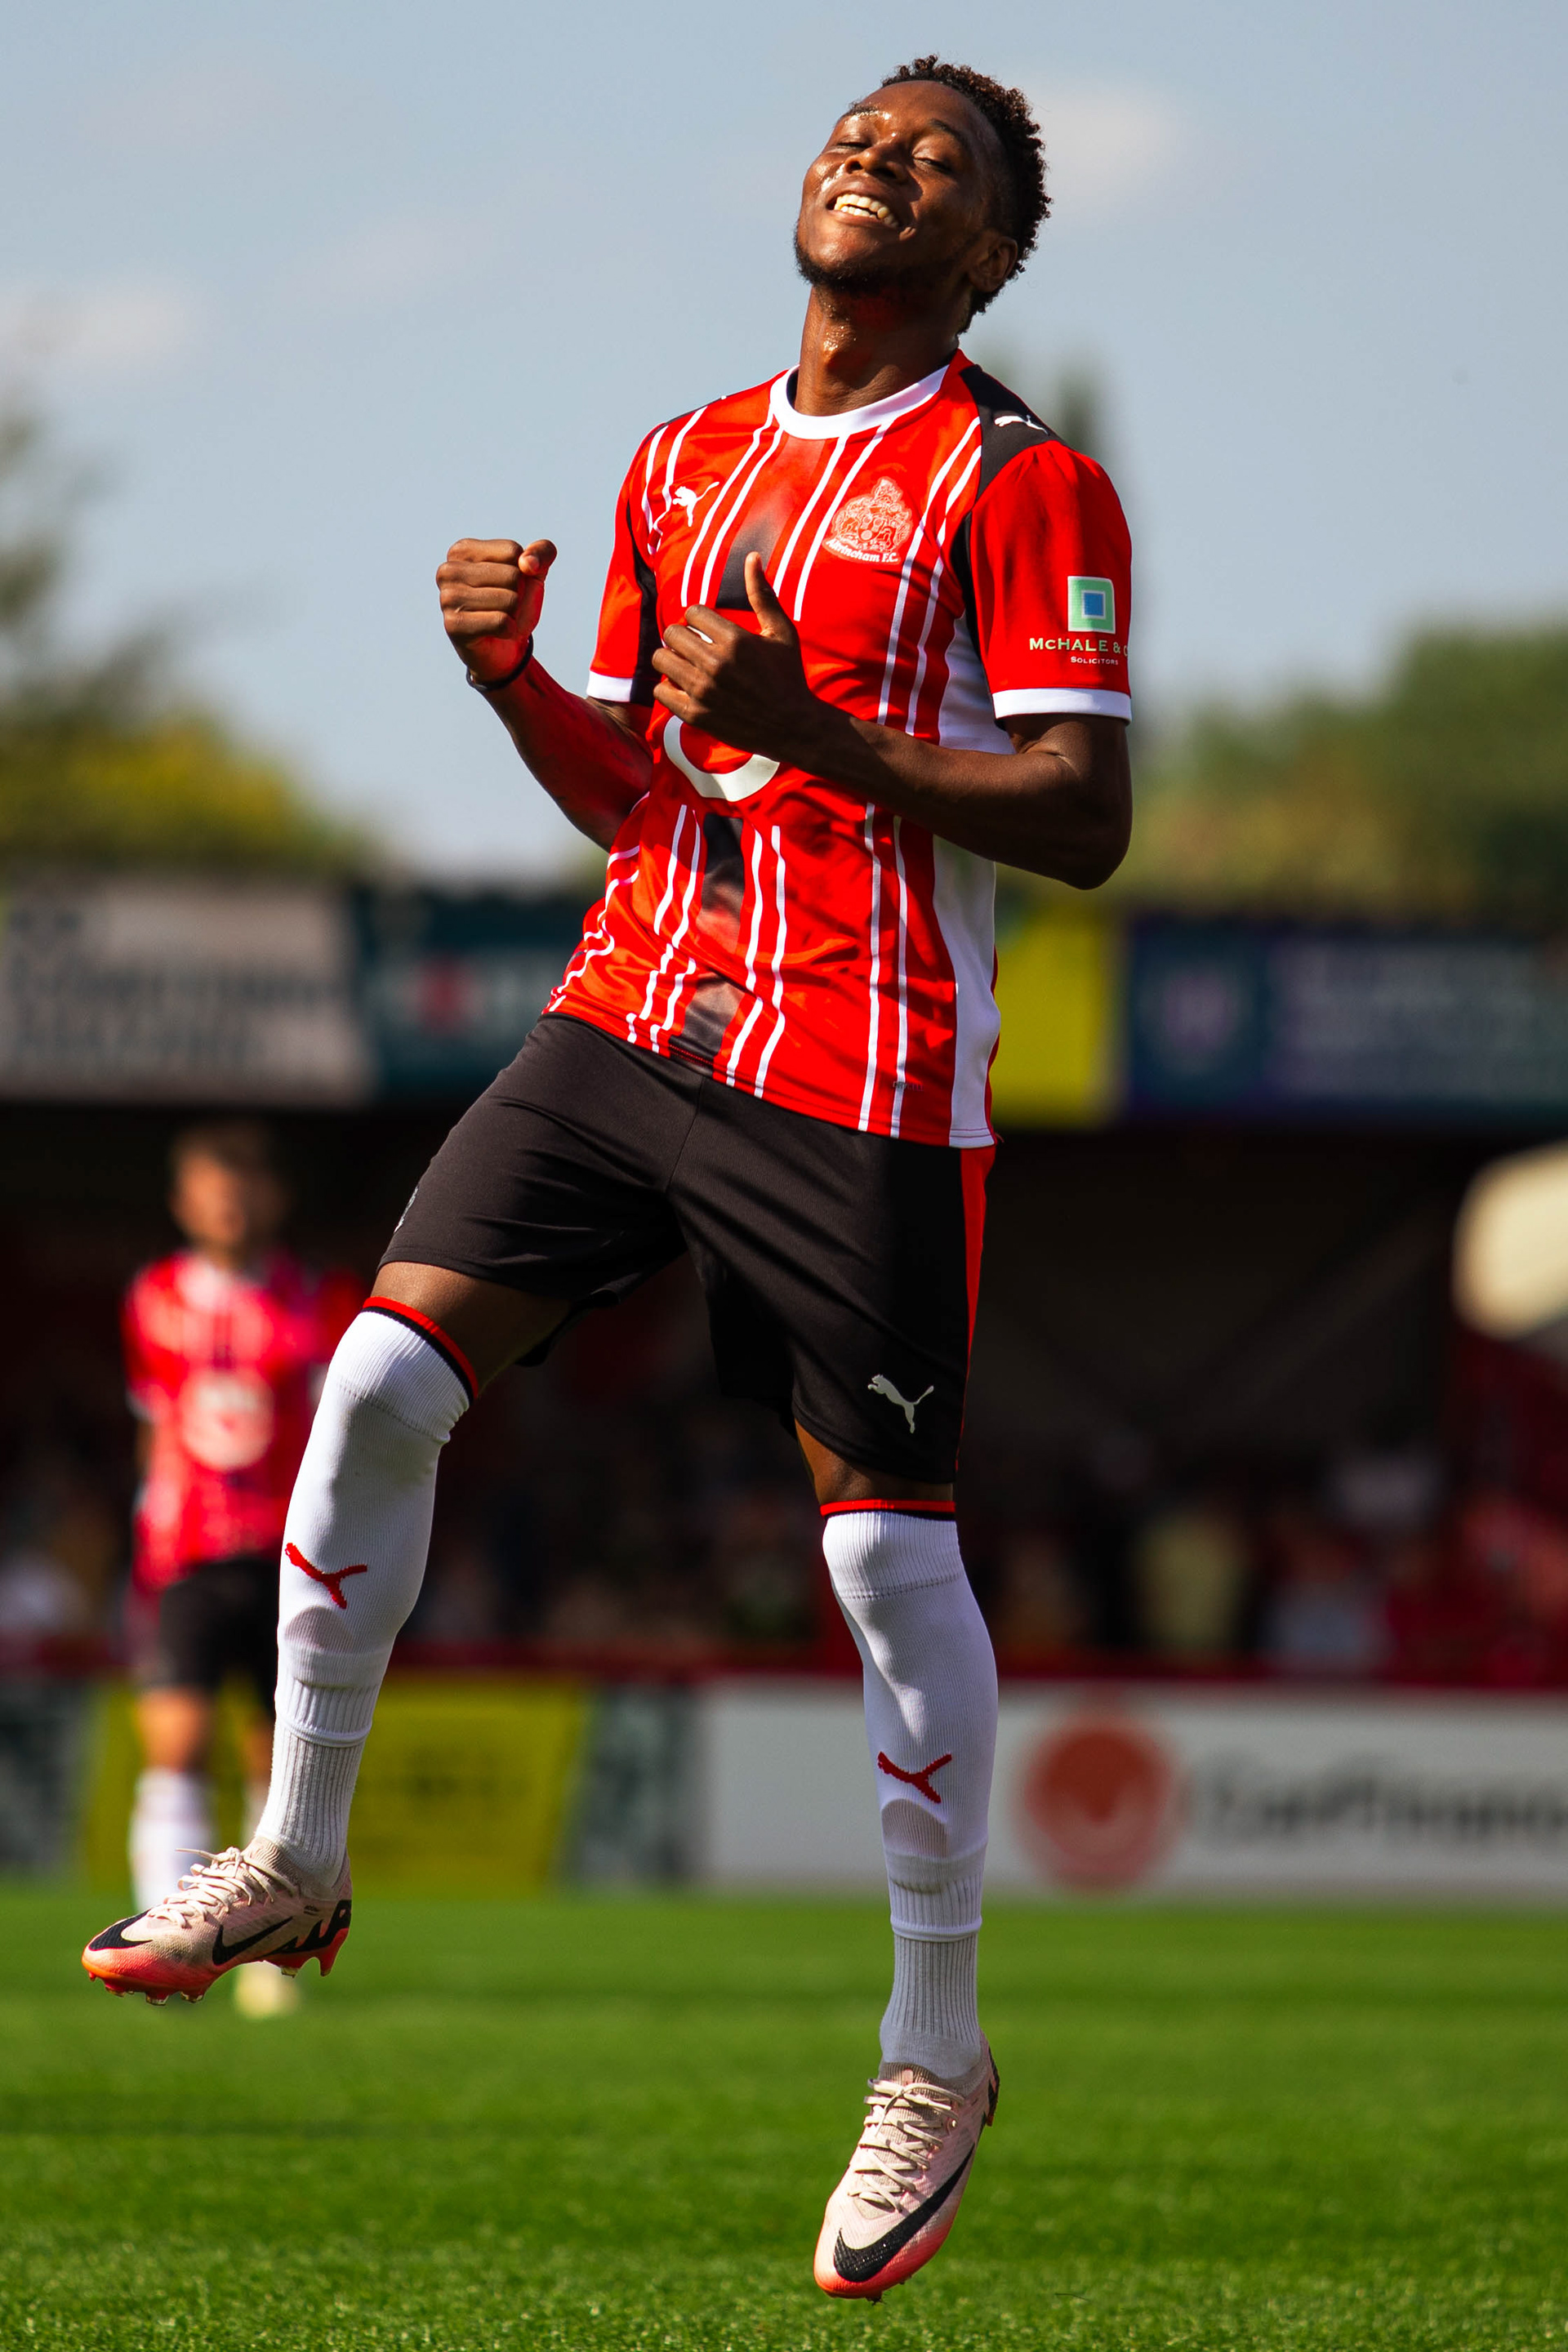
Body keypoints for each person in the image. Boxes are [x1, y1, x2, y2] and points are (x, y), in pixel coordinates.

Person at [84, 56, 1132, 2296]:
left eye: (939, 160)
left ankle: (935, 2050)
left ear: (994, 252)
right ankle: (294, 1851)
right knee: (372, 1386)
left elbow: (1081, 813)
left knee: (879, 1566)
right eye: (861, 127)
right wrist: (503, 682)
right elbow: (639, 800)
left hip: (866, 1060)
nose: (880, 157)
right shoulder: (682, 457)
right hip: (637, 1005)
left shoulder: (1026, 484)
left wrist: (828, 736)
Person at [116, 1121, 358, 2007]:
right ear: (184, 1203)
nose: (231, 1204)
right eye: (214, 1188)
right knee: (175, 1742)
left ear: (275, 1199)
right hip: (186, 1554)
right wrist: (145, 1524)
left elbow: (346, 1427)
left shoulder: (320, 1295)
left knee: (272, 1752)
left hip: (287, 1556)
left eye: (246, 1187)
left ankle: (258, 1953)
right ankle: (163, 1934)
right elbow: (153, 1419)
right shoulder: (154, 1297)